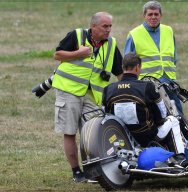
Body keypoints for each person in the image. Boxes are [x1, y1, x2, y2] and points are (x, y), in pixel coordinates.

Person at [52, 12, 123, 183]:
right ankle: (77, 172)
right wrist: (78, 53)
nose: (109, 30)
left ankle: (94, 170)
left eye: (110, 26)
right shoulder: (76, 35)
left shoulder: (111, 44)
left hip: (92, 95)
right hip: (68, 90)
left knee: (93, 133)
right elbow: (57, 55)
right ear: (93, 27)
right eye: (105, 26)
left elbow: (120, 72)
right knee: (70, 132)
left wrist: (129, 89)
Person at [102, 53, 188, 167]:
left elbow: (106, 115)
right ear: (137, 67)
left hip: (123, 138)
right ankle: (180, 158)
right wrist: (159, 121)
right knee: (173, 120)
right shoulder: (147, 86)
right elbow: (162, 113)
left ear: (123, 67)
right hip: (147, 136)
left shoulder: (108, 89)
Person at [123, 0, 183, 113]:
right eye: (150, 14)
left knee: (178, 116)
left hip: (169, 82)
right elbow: (127, 64)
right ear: (144, 16)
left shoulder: (168, 30)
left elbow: (173, 58)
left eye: (156, 14)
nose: (153, 17)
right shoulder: (134, 34)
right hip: (146, 85)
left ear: (161, 15)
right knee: (154, 116)